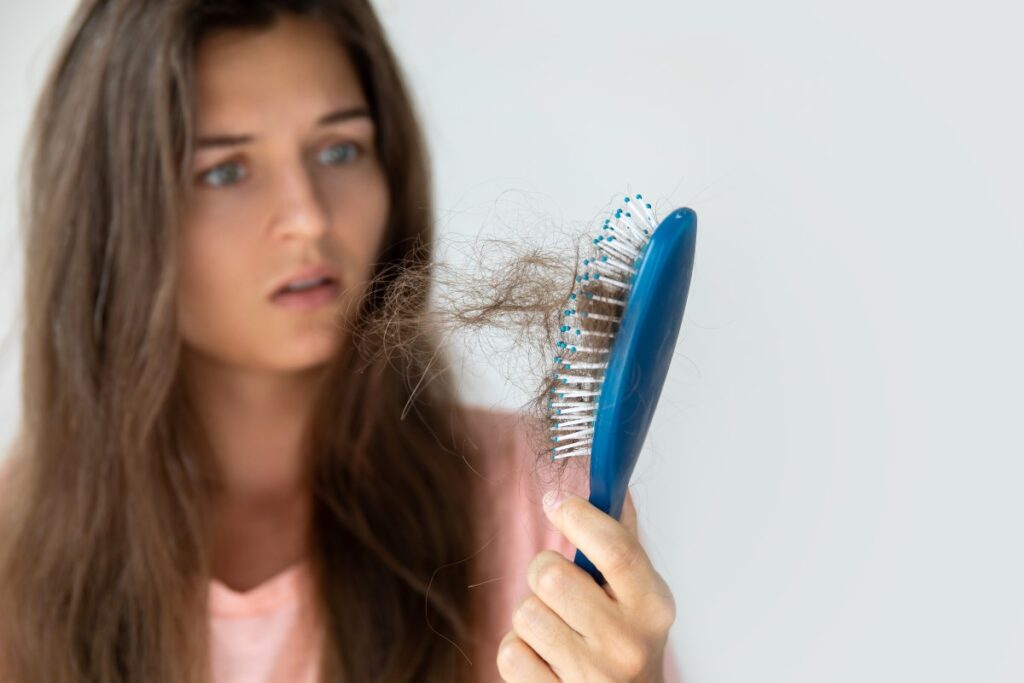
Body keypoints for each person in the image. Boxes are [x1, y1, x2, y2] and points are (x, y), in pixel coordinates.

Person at [0, 1, 682, 681]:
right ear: (111, 221)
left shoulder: (542, 507)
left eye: (339, 150)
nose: (307, 215)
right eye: (225, 170)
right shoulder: (11, 558)